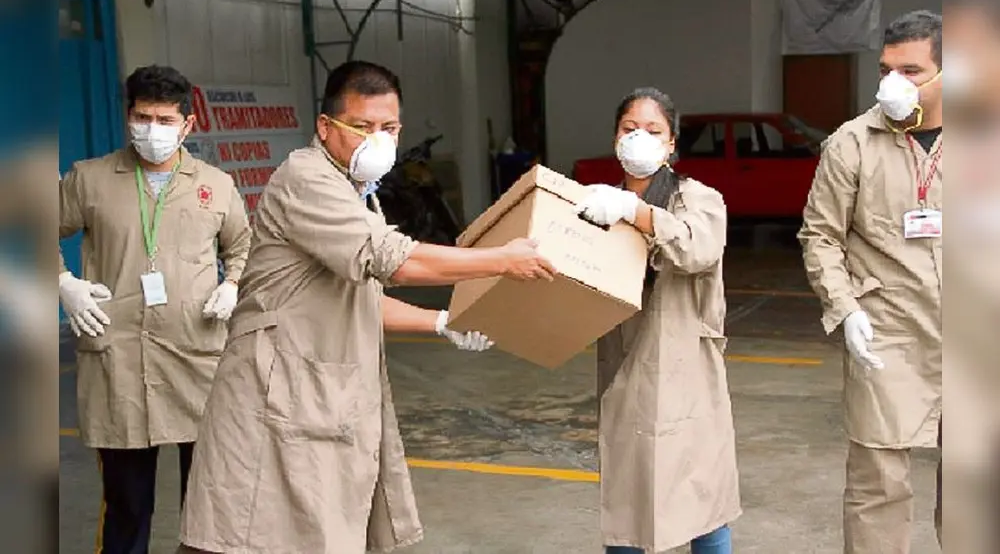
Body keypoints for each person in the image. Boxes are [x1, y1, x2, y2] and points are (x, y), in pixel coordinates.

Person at [176, 60, 557, 554]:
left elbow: (358, 300)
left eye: (389, 128)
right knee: (249, 534)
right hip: (278, 396)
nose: (377, 140)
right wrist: (500, 261)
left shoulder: (356, 192)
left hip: (320, 396)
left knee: (310, 532)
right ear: (325, 126)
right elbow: (390, 260)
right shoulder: (306, 177)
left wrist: (441, 321)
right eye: (362, 127)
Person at [58, 64, 252, 553]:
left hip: (197, 360)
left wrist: (234, 284)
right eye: (143, 118)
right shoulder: (90, 179)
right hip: (118, 364)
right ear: (128, 117)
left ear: (188, 125)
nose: (153, 130)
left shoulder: (216, 185)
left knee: (209, 503)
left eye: (166, 120)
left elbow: (245, 245)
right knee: (126, 506)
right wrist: (63, 282)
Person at [797, 10, 943, 553]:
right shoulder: (852, 144)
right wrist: (846, 307)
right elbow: (820, 237)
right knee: (877, 487)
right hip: (888, 334)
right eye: (887, 69)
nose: (894, 85)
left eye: (911, 70)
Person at [575, 87, 741, 554]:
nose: (639, 139)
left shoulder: (698, 199)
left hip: (685, 366)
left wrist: (637, 212)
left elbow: (697, 249)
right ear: (614, 139)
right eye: (630, 129)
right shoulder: (596, 204)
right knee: (628, 496)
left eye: (653, 130)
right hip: (625, 361)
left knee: (700, 495)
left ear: (672, 144)